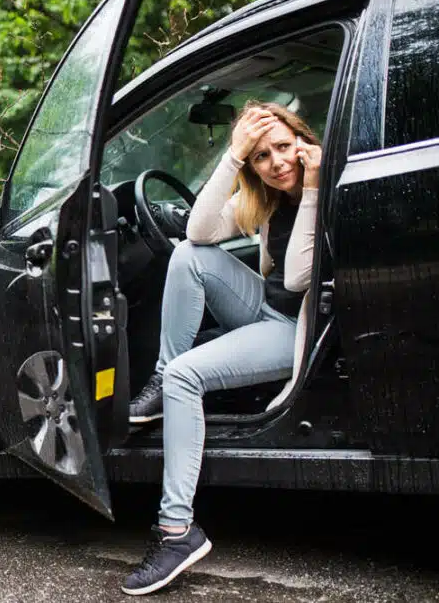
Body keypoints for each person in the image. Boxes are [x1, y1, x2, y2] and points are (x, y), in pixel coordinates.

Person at [120, 101, 323, 596]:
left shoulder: (330, 186)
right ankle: (161, 374)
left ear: (301, 139)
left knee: (187, 377)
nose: (276, 162)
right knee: (190, 256)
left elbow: (298, 277)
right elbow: (197, 231)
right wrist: (231, 156)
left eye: (282, 147)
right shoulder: (265, 198)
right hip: (265, 308)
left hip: (299, 328)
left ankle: (176, 533)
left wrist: (313, 186)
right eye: (260, 157)